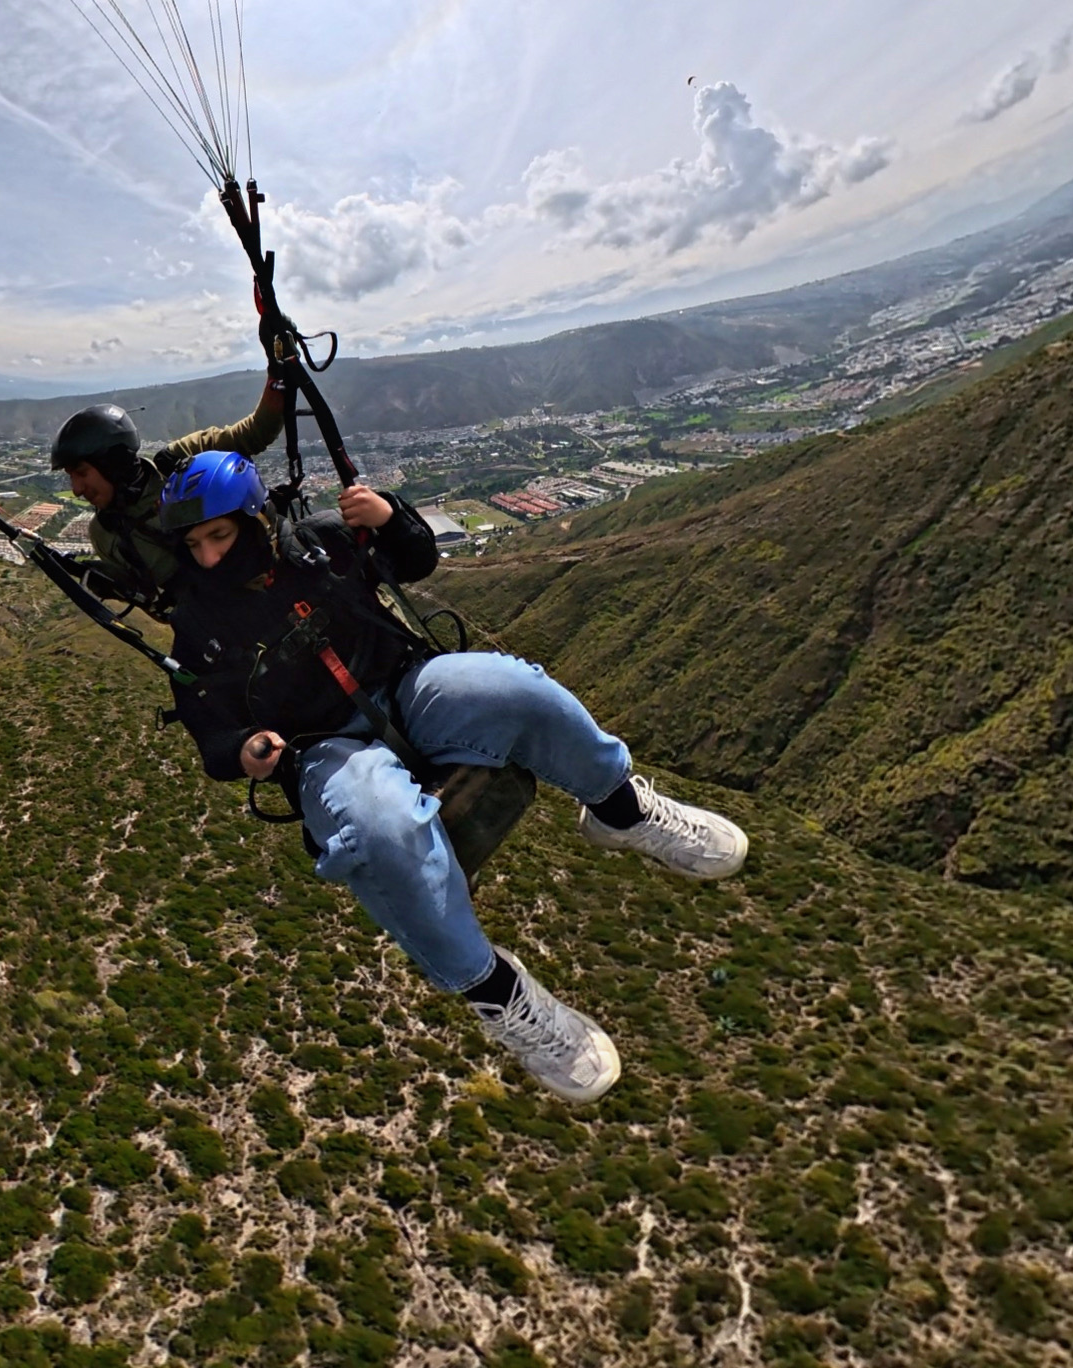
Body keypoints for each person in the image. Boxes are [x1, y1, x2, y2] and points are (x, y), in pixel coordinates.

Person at [156, 449, 749, 1104]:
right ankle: (496, 993)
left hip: (405, 683)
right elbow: (206, 726)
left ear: (256, 520)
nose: (210, 556)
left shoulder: (320, 543)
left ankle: (620, 809)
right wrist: (244, 750)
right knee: (378, 834)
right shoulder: (198, 626)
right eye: (195, 544)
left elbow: (414, 560)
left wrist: (391, 517)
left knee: (517, 688)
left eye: (220, 535)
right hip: (320, 747)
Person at [48, 373, 288, 615]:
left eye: (81, 472)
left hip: (281, 575)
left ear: (112, 463)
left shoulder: (181, 463)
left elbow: (256, 432)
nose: (76, 489)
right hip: (229, 620)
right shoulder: (105, 534)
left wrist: (277, 373)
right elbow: (160, 603)